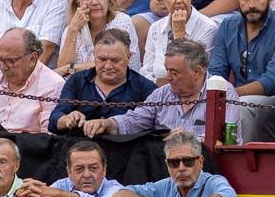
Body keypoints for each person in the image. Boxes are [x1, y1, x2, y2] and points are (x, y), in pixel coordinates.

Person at [89, 40, 239, 141]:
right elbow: (135, 120)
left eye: (174, 72)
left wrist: (189, 140)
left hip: (206, 164)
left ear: (197, 72)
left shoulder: (223, 92)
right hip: (163, 164)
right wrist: (109, 123)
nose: (167, 78)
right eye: (167, 70)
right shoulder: (162, 93)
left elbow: (229, 138)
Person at [209, 0, 275, 142]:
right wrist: (219, 94)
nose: (251, 5)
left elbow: (272, 81)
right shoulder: (227, 26)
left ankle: (245, 160)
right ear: (238, 0)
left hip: (272, 100)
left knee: (242, 106)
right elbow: (216, 70)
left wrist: (229, 94)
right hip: (232, 97)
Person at [111, 129, 239, 197]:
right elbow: (119, 196)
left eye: (188, 161)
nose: (181, 168)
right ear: (167, 164)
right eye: (174, 163)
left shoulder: (213, 181)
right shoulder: (165, 185)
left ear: (200, 162)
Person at [52, 29, 156, 132]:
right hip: (80, 144)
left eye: (115, 60)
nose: (108, 66)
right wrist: (68, 119)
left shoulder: (145, 88)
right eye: (102, 59)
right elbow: (54, 119)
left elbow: (154, 124)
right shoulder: (77, 80)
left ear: (128, 57)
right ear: (94, 55)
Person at [55, 0, 143, 76]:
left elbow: (111, 65)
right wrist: (73, 30)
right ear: (77, 3)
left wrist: (70, 68)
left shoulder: (121, 21)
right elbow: (62, 73)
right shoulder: (71, 29)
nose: (94, 2)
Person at [140, 0, 219, 83]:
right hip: (157, 91)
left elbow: (196, 74)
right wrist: (158, 86)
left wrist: (179, 34)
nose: (178, 0)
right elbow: (146, 71)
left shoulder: (208, 28)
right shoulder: (155, 28)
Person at [0, 28, 65, 133]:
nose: (3, 67)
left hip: (26, 146)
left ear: (32, 58)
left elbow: (49, 136)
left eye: (10, 61)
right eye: (0, 59)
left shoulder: (53, 85)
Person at [18, 140, 125, 197]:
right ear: (69, 172)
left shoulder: (115, 189)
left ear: (104, 170)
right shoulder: (62, 185)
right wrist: (29, 194)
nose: (87, 175)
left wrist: (61, 195)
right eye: (79, 169)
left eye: (93, 168)